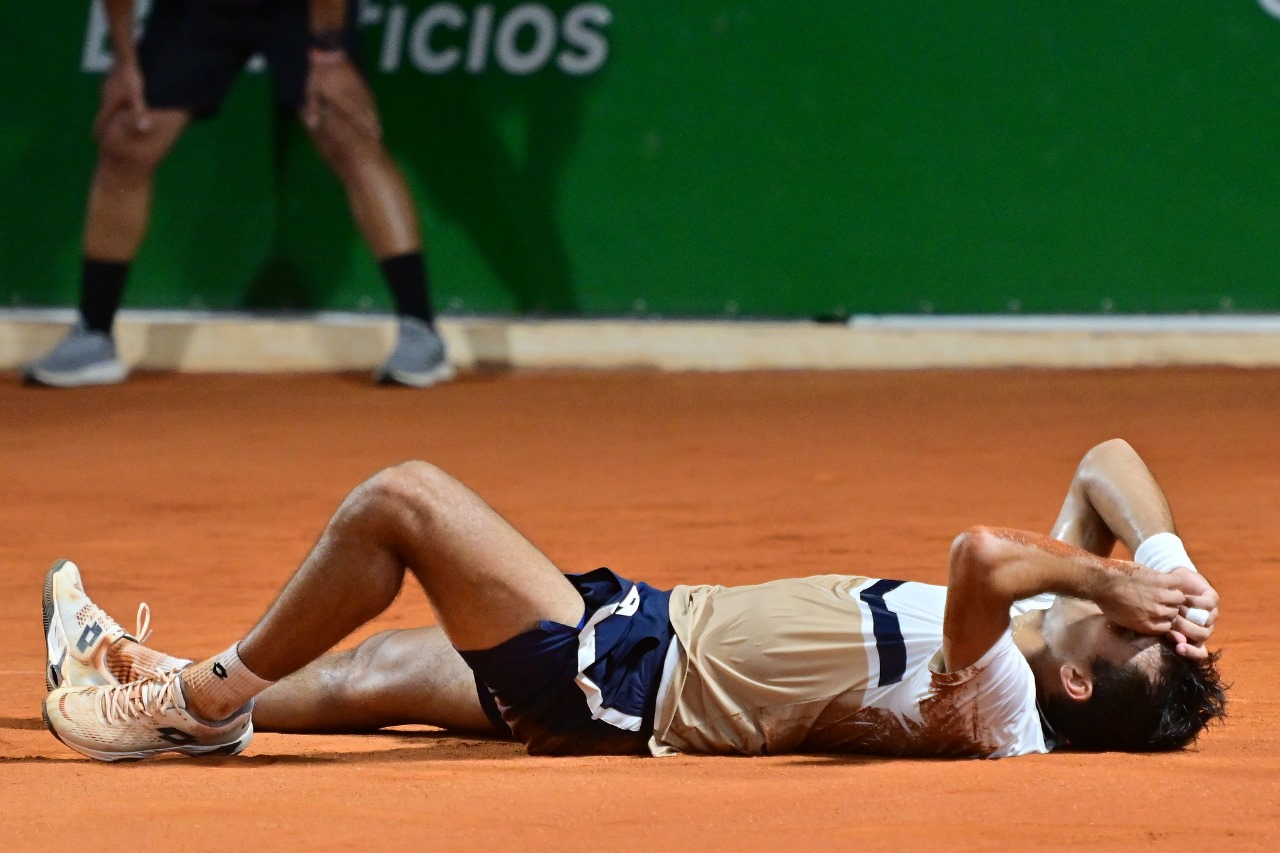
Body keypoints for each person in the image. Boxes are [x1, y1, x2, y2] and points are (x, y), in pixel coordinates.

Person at [40, 439, 1226, 761]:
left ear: (1079, 673)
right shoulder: (1048, 626)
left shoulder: (999, 694)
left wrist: (1107, 577)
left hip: (618, 679)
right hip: (634, 637)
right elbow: (1101, 462)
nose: (1123, 597)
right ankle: (140, 683)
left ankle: (197, 700)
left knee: (401, 501)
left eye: (1131, 630)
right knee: (359, 679)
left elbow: (979, 553)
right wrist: (1162, 556)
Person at [24, 0, 451, 388]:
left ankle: (420, 328)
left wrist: (328, 51)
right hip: (201, 9)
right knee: (130, 133)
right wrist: (124, 59)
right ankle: (95, 333)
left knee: (345, 130)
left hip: (303, 10)